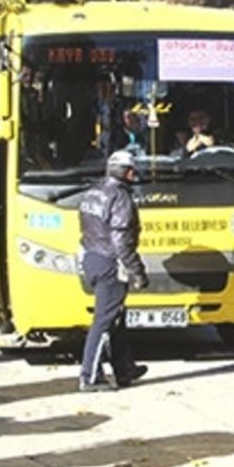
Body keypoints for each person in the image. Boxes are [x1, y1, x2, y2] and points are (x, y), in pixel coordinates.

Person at [78, 150, 149, 392]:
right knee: (104, 321)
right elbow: (121, 241)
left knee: (116, 317)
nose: (134, 175)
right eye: (132, 170)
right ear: (125, 172)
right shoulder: (120, 198)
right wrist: (136, 271)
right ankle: (90, 376)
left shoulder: (93, 192)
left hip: (92, 257)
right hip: (110, 263)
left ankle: (124, 368)